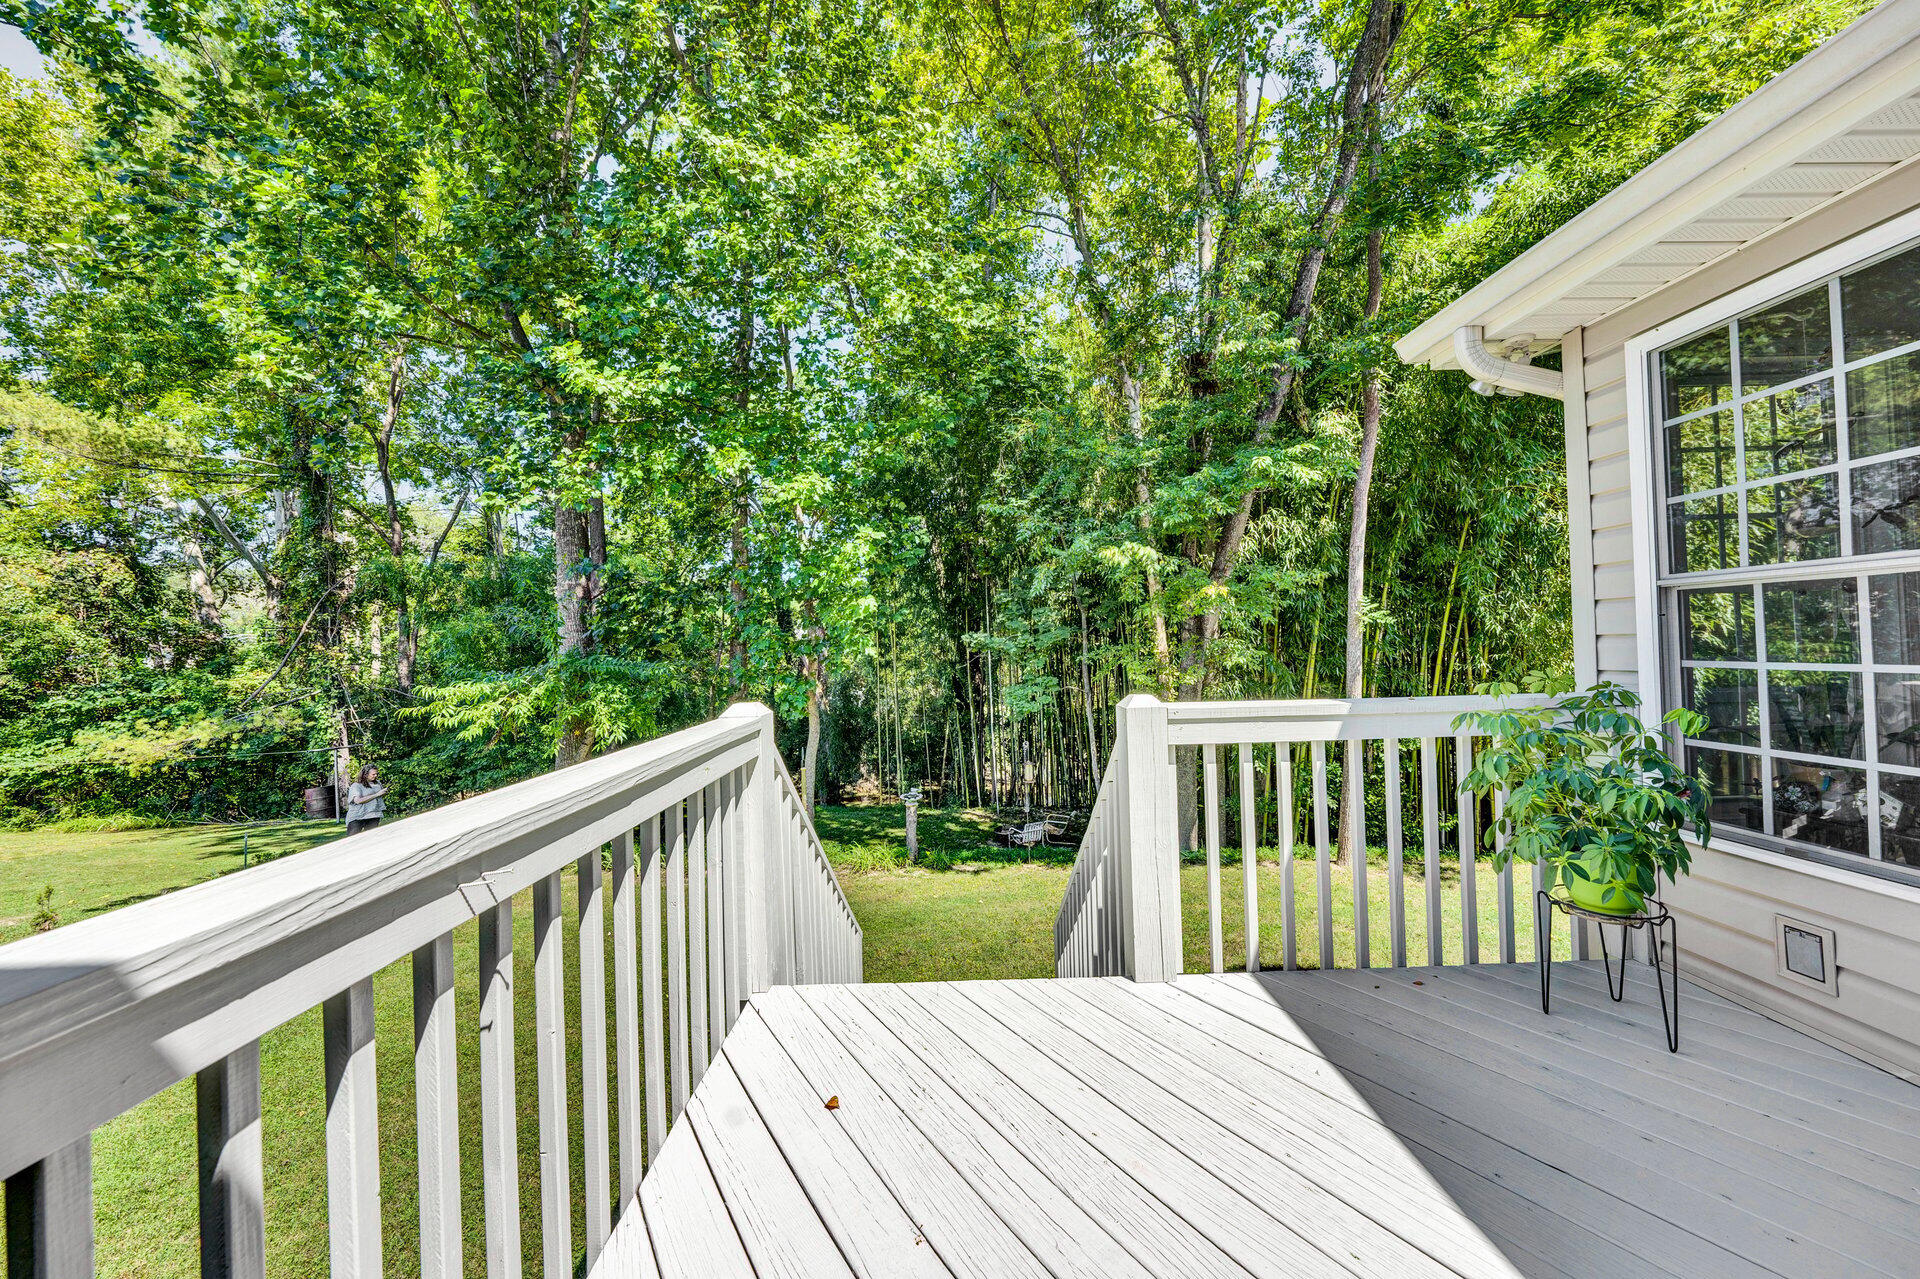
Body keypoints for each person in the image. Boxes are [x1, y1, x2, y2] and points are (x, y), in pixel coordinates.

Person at [345, 765, 388, 835]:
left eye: (376, 773)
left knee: (371, 839)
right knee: (352, 839)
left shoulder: (377, 783)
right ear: (365, 774)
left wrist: (383, 793)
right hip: (358, 816)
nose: (375, 775)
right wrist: (376, 794)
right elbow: (358, 801)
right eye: (373, 774)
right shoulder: (356, 786)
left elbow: (378, 796)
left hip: (374, 814)